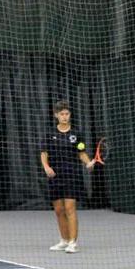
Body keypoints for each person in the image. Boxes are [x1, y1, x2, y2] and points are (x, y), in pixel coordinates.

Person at [40, 100, 94, 254]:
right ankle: (63, 240)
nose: (65, 116)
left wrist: (89, 162)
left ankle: (73, 242)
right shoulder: (49, 134)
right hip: (55, 175)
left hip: (72, 174)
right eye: (62, 114)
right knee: (58, 209)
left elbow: (81, 153)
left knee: (70, 207)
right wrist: (46, 167)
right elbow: (44, 153)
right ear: (56, 115)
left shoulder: (76, 134)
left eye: (67, 114)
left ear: (70, 115)